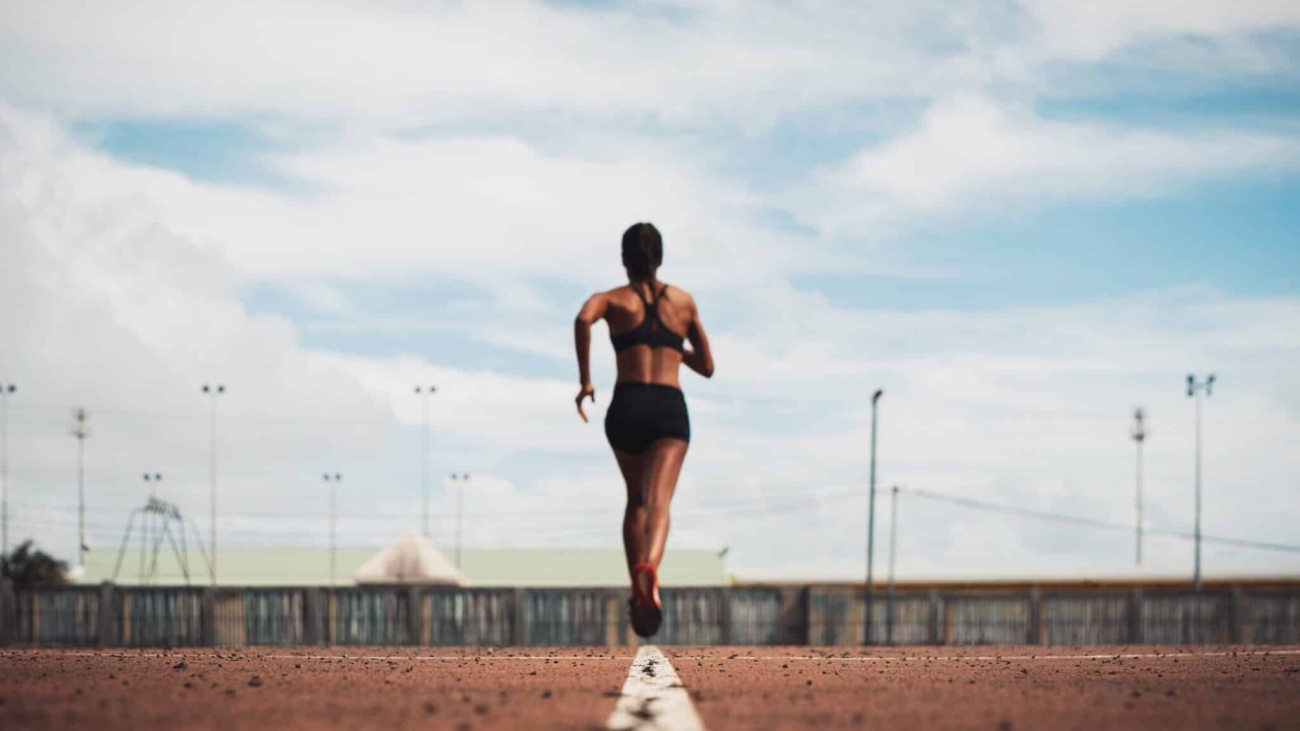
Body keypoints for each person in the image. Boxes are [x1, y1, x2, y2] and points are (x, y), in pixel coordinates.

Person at [573, 222, 715, 638]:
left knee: (635, 500)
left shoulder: (612, 300)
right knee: (660, 503)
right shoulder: (684, 303)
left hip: (627, 405)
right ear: (661, 258)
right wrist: (673, 344)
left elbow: (583, 319)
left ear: (624, 259)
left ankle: (637, 586)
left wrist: (585, 380)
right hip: (668, 408)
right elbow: (707, 366)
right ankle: (650, 567)